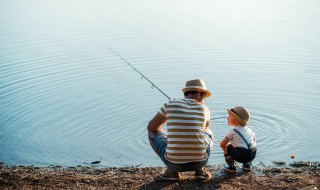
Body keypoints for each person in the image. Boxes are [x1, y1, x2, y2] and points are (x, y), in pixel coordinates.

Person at [147, 79, 214, 181]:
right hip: (200, 161)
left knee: (152, 132)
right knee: (209, 133)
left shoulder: (169, 104)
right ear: (199, 95)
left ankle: (171, 172)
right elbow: (203, 130)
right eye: (204, 97)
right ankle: (200, 171)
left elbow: (151, 128)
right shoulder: (205, 109)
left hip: (174, 164)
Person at [220, 106, 257, 173]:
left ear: (237, 120)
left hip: (241, 155)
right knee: (247, 146)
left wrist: (226, 147)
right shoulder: (250, 130)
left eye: (230, 116)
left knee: (226, 146)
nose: (227, 118)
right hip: (252, 154)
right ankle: (247, 165)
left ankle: (231, 166)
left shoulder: (233, 131)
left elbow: (222, 144)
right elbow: (254, 141)